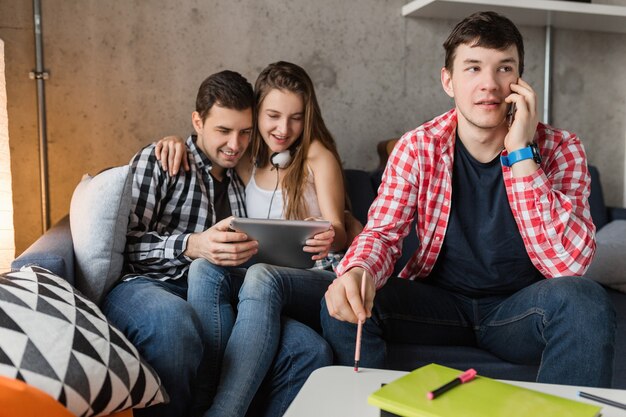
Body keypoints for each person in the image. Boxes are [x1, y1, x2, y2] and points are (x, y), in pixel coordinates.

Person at [320, 11, 616, 387]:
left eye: (504, 68)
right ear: (449, 80)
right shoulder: (418, 146)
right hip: (439, 305)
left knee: (586, 301)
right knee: (342, 299)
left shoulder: (562, 148)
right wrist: (359, 271)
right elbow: (382, 234)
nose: (489, 84)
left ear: (519, 81)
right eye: (473, 68)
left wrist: (522, 154)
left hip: (520, 311)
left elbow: (570, 266)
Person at [102, 70, 332, 417]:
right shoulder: (164, 160)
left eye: (244, 133)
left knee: (309, 349)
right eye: (223, 131)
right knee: (173, 324)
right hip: (149, 284)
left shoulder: (244, 175)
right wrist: (193, 245)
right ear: (198, 121)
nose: (234, 144)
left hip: (221, 296)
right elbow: (122, 246)